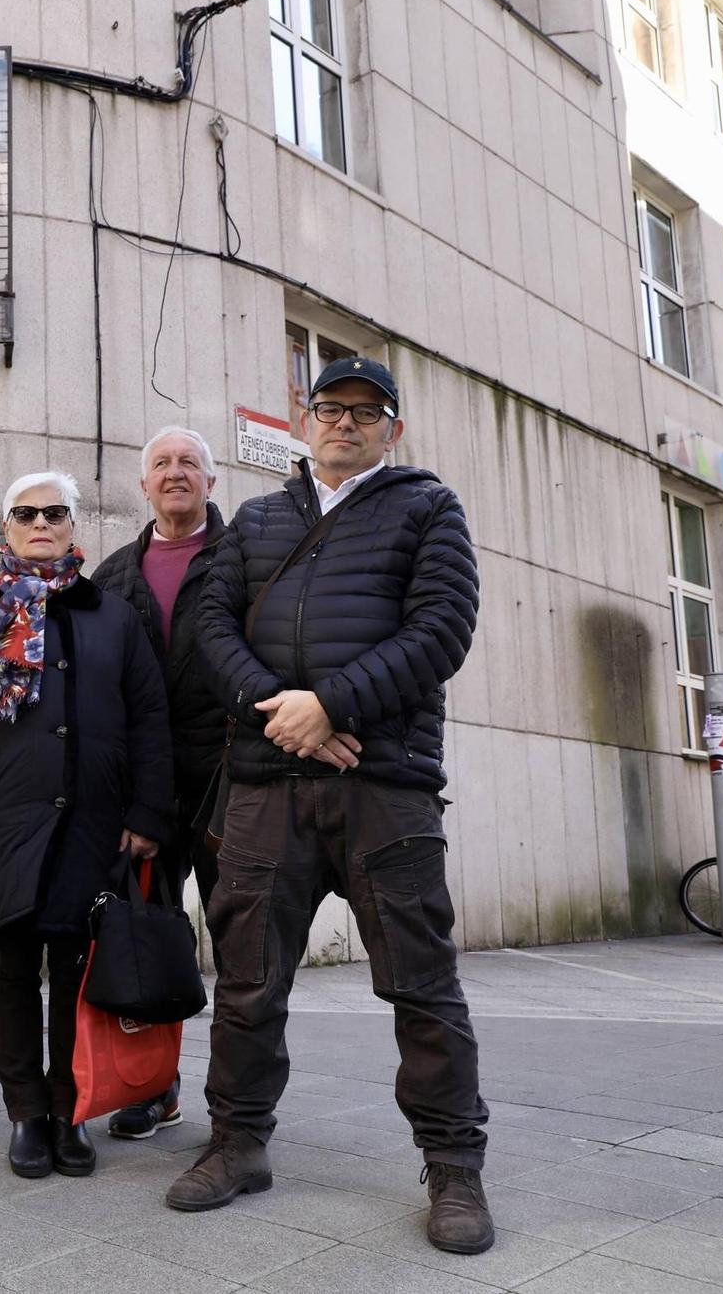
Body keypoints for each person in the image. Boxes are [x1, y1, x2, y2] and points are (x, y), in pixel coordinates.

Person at [173, 355, 490, 1255]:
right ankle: (236, 1144)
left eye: (366, 411)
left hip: (384, 786)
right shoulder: (261, 519)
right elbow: (212, 627)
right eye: (329, 407)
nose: (344, 422)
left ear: (395, 427)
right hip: (266, 788)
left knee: (423, 985)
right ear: (300, 418)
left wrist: (335, 704)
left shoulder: (429, 508)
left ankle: (455, 1166)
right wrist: (287, 716)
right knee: (245, 981)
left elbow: (442, 630)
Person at [0, 472, 173, 1180]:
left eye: (54, 512)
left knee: (74, 971)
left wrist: (146, 811)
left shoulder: (113, 615)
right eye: (25, 513)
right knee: (9, 968)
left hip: (93, 824)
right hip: (5, 822)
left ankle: (70, 1112)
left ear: (73, 526)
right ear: (6, 529)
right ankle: (25, 1114)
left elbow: (149, 718)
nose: (41, 522)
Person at [90, 426, 231, 1140]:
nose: (175, 474)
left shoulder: (247, 561)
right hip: (145, 792)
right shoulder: (113, 576)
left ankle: (237, 1099)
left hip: (232, 788)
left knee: (243, 947)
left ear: (212, 482)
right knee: (144, 936)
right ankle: (155, 1083)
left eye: (189, 464)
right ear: (142, 486)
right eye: (162, 465)